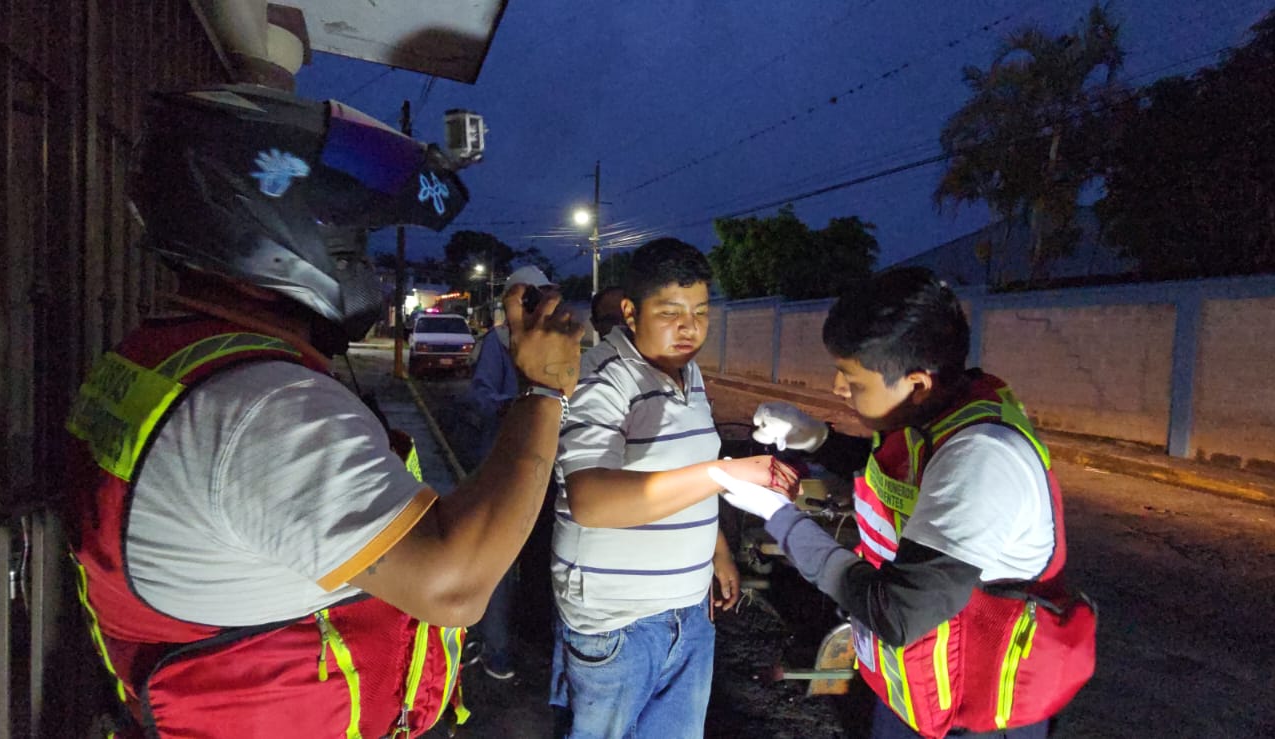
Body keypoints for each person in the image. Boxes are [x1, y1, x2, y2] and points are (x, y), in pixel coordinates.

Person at [63, 84, 584, 739]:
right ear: (272, 228)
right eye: (350, 241)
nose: (364, 265)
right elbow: (454, 586)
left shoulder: (173, 357)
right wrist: (546, 390)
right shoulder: (263, 408)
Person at [709, 267, 1096, 739]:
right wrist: (816, 439)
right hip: (921, 689)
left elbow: (896, 611)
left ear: (916, 385)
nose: (837, 387)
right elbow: (898, 473)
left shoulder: (980, 460)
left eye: (854, 380)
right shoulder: (935, 415)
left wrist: (781, 518)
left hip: (978, 713)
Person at [548, 238, 799, 738]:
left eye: (701, 312)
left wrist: (717, 552)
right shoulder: (601, 378)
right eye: (671, 312)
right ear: (630, 312)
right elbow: (591, 500)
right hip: (617, 622)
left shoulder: (690, 374)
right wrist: (727, 474)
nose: (690, 327)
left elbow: (689, 471)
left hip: (689, 611)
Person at [464, 264, 560, 680]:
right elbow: (481, 395)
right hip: (503, 465)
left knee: (540, 557)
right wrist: (514, 406)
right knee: (500, 561)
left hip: (544, 467)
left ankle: (532, 635)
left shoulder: (554, 343)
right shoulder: (497, 343)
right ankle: (497, 647)